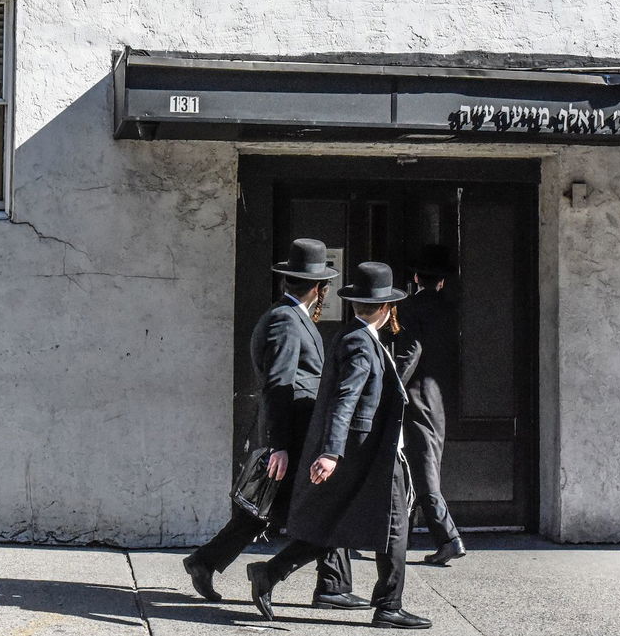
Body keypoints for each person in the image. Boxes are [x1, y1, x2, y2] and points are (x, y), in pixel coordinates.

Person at [182, 239, 366, 610]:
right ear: (318, 288)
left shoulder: (289, 316)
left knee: (265, 509)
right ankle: (326, 584)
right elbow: (278, 385)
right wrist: (278, 443)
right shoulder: (285, 321)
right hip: (294, 435)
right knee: (323, 506)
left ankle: (207, 561)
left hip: (298, 432)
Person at [246, 261, 432, 630]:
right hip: (368, 455)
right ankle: (389, 606)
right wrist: (330, 452)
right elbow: (344, 400)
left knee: (337, 522)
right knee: (395, 527)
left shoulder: (354, 337)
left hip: (361, 451)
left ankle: (270, 573)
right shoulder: (361, 344)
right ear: (385, 307)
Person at [394, 244, 465, 565]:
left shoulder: (409, 309)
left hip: (417, 395)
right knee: (422, 463)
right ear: (443, 281)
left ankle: (448, 537)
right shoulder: (452, 309)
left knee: (422, 468)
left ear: (417, 277)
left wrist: (391, 387)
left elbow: (409, 352)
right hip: (439, 396)